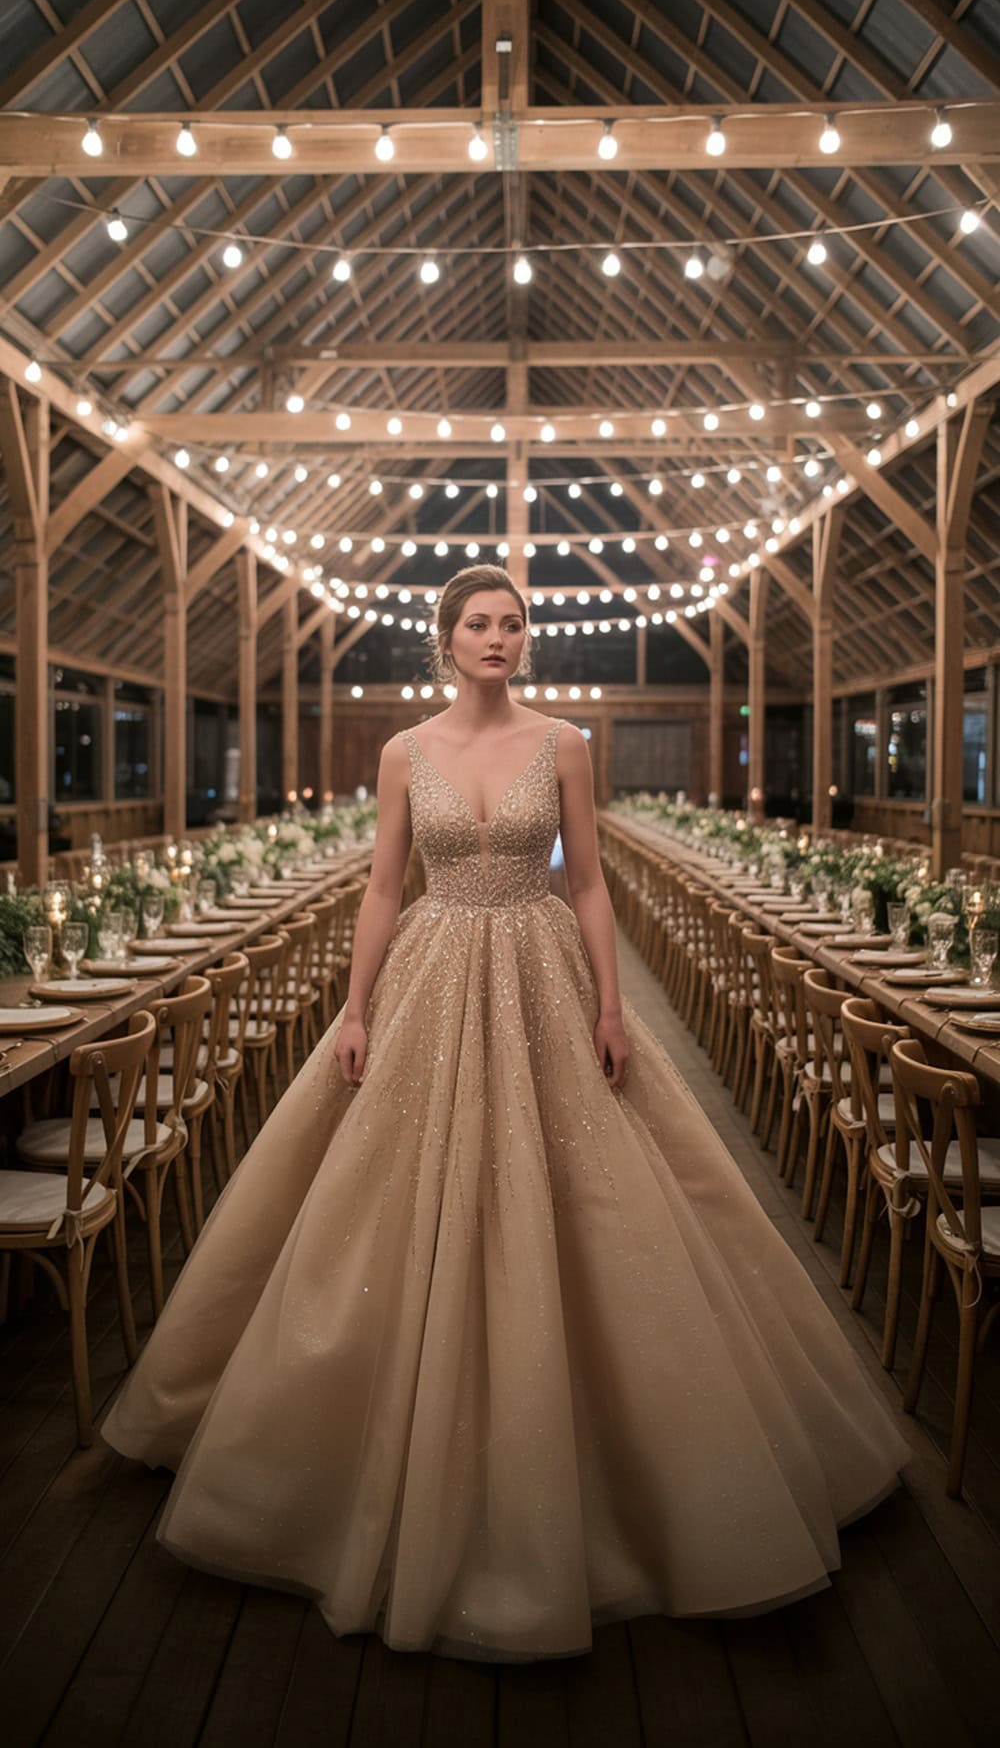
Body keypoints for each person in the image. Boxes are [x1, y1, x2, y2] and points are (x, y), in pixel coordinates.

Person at [104, 562, 908, 1662]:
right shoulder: (401, 753)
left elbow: (585, 880)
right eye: (478, 623)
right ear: (444, 639)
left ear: (527, 640)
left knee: (585, 1177)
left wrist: (616, 1004)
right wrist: (352, 1010)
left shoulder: (565, 744)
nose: (498, 636)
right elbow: (382, 887)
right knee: (387, 1189)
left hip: (541, 969)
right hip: (431, 970)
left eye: (512, 623)